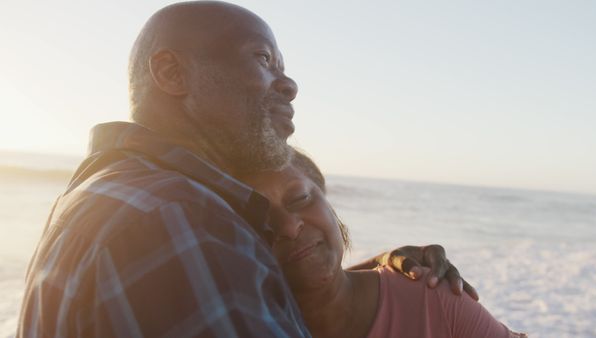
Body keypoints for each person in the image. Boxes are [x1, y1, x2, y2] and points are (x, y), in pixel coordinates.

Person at [17, 2, 473, 337]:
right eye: (262, 59)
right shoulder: (180, 218)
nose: (290, 85)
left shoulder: (102, 194)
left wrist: (361, 281)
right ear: (172, 74)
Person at [241, 149, 527, 338]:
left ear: (329, 202)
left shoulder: (430, 300)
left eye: (300, 198)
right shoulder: (239, 325)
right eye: (259, 217)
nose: (289, 227)